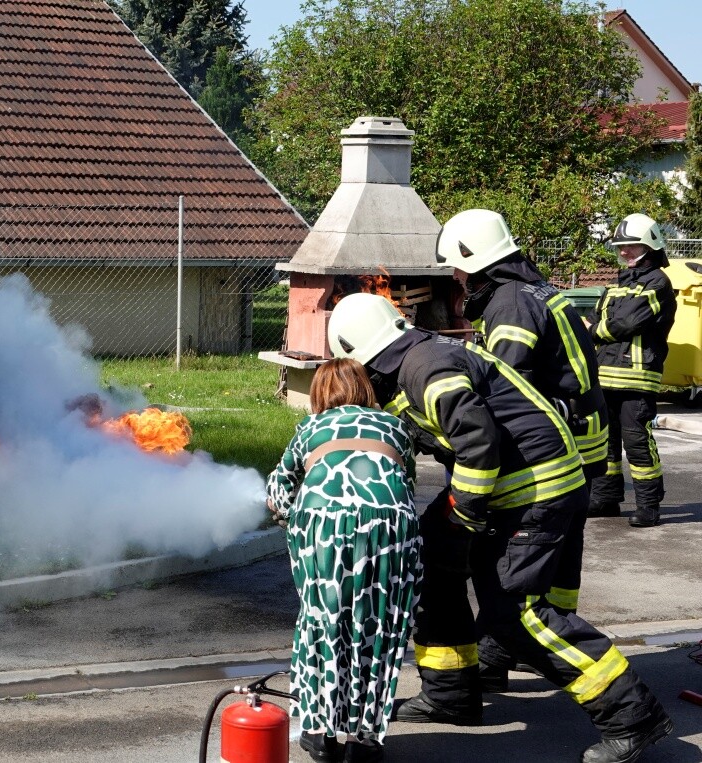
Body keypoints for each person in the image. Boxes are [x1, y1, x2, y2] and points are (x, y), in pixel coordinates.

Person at [327, 293, 672, 763]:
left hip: (533, 491)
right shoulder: (417, 358)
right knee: (433, 562)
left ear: (359, 352)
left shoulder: (426, 369)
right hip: (512, 485)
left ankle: (633, 716)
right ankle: (450, 694)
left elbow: (478, 442)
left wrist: (463, 514)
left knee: (516, 615)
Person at [436, 208, 609, 692]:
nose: (455, 276)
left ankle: (532, 647)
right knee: (558, 556)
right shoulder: (536, 288)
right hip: (583, 435)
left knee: (512, 559)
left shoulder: (510, 305)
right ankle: (523, 648)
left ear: (475, 261)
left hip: (553, 445)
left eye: (457, 266)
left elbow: (504, 384)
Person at [266, 357, 422, 763]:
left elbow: (281, 488)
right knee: (378, 625)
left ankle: (319, 732)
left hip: (324, 527)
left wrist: (282, 511)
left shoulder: (311, 428)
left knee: (323, 621)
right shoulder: (396, 426)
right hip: (390, 527)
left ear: (319, 393)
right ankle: (364, 738)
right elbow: (406, 481)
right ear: (365, 389)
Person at [585, 213, 677, 528]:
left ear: (650, 246)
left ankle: (649, 507)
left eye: (631, 246)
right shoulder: (618, 283)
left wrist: (593, 330)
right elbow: (610, 320)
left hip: (637, 379)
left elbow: (628, 322)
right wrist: (598, 326)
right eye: (621, 246)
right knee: (605, 443)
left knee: (636, 441)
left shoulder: (658, 284)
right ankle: (606, 499)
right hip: (605, 376)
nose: (624, 252)